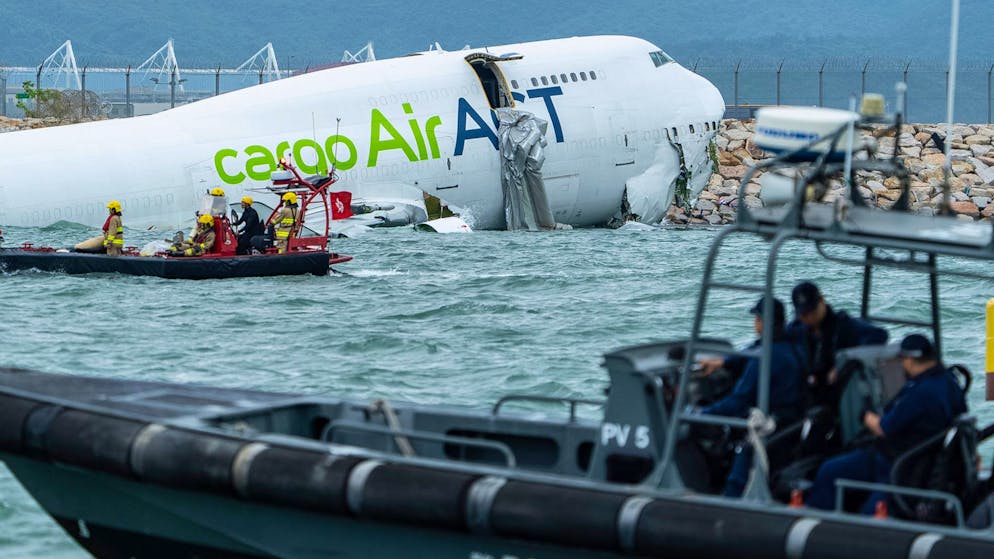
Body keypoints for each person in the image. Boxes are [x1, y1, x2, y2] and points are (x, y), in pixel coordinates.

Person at [805, 334, 967, 512]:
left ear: (909, 360)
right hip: (922, 462)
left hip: (899, 465)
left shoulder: (920, 393)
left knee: (832, 474)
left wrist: (864, 414)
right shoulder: (950, 382)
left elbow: (883, 428)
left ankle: (818, 516)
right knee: (831, 469)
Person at [698, 297, 805, 497]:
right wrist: (723, 362)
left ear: (764, 322)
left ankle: (730, 498)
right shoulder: (794, 346)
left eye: (757, 319)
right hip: (792, 424)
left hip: (771, 428)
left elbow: (738, 402)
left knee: (740, 448)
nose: (755, 323)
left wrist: (700, 414)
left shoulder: (762, 358)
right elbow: (752, 350)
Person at [788, 281, 888, 404]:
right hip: (808, 393)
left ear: (822, 301)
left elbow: (879, 335)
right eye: (804, 315)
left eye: (813, 312)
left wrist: (843, 363)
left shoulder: (843, 325)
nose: (809, 318)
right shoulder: (797, 329)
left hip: (840, 393)